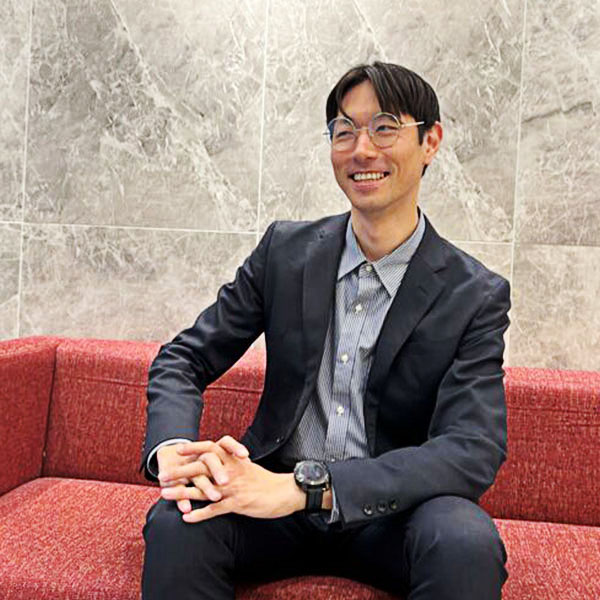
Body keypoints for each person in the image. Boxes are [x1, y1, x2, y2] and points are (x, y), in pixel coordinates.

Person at [141, 61, 510, 600]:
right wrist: (172, 447)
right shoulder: (285, 252)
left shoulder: (473, 293)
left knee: (464, 541)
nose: (362, 149)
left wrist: (307, 490)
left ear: (430, 141)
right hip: (272, 504)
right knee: (178, 520)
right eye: (344, 131)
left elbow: (471, 448)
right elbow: (185, 357)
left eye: (385, 128)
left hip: (391, 512)